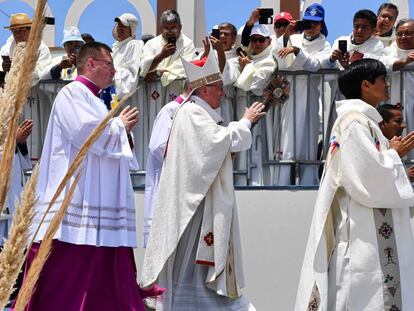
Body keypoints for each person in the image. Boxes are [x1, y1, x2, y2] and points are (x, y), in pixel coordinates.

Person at [22, 42, 148, 310]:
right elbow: (85, 133)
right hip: (75, 204)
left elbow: (105, 140)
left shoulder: (96, 100)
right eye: (109, 65)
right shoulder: (72, 94)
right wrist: (119, 126)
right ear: (90, 64)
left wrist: (122, 131)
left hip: (97, 206)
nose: (114, 71)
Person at [142, 46, 264, 310]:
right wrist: (245, 122)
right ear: (204, 89)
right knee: (195, 264)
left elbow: (213, 151)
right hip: (195, 205)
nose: (223, 91)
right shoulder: (193, 113)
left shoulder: (197, 113)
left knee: (197, 267)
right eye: (218, 86)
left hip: (200, 198)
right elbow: (219, 142)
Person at [295, 58, 414, 311]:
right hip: (362, 227)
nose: (388, 86)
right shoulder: (353, 123)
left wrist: (392, 156)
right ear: (366, 85)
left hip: (370, 224)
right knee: (362, 292)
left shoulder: (366, 122)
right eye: (383, 80)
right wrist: (394, 154)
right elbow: (366, 177)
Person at [273, 3, 331, 185]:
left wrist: (298, 53)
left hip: (310, 96)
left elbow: (315, 66)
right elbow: (280, 61)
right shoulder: (293, 38)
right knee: (287, 140)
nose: (311, 26)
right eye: (308, 22)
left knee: (308, 140)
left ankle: (308, 182)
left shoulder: (326, 45)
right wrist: (286, 37)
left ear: (322, 24)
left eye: (315, 23)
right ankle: (282, 182)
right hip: (290, 96)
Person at [142, 80, 191, 248]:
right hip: (167, 187)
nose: (222, 94)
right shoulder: (170, 110)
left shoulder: (193, 111)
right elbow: (158, 147)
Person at [380, 18, 414, 159]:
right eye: (399, 34)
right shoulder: (387, 52)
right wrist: (405, 62)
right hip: (394, 109)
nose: (403, 37)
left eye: (408, 33)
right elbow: (384, 65)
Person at [140, 9, 196, 86]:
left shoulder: (188, 44)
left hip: (178, 90)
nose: (170, 32)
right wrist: (161, 55)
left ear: (180, 27)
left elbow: (185, 66)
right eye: (166, 28)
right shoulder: (151, 44)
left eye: (173, 28)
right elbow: (143, 66)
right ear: (161, 28)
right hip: (154, 92)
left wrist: (158, 73)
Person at [0, 13, 51, 86]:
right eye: (15, 31)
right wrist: (4, 69)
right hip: (10, 91)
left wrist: (22, 67)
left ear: (30, 30)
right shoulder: (6, 49)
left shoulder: (41, 48)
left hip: (34, 92)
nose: (18, 35)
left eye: (22, 30)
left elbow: (43, 73)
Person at [112, 13, 143, 98]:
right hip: (113, 94)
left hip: (126, 98)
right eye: (118, 24)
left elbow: (132, 74)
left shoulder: (134, 45)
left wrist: (112, 71)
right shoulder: (115, 47)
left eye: (123, 26)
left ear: (131, 29)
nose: (119, 28)